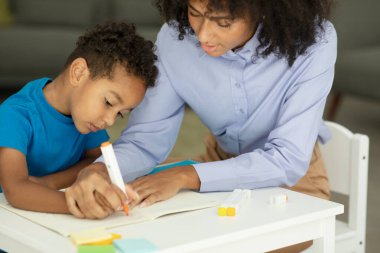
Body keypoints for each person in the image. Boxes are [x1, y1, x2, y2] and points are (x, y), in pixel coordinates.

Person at [67, 0, 336, 230]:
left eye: (223, 22)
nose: (204, 35)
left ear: (263, 9)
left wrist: (187, 176)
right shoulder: (175, 40)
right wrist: (100, 171)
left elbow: (287, 160)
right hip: (214, 163)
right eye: (195, 12)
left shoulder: (315, 42)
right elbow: (145, 140)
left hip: (294, 181)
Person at [0, 22, 157, 219]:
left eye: (120, 114)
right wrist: (83, 204)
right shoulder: (15, 114)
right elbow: (15, 190)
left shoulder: (88, 120)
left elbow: (97, 162)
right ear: (78, 72)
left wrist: (51, 183)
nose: (109, 121)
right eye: (108, 103)